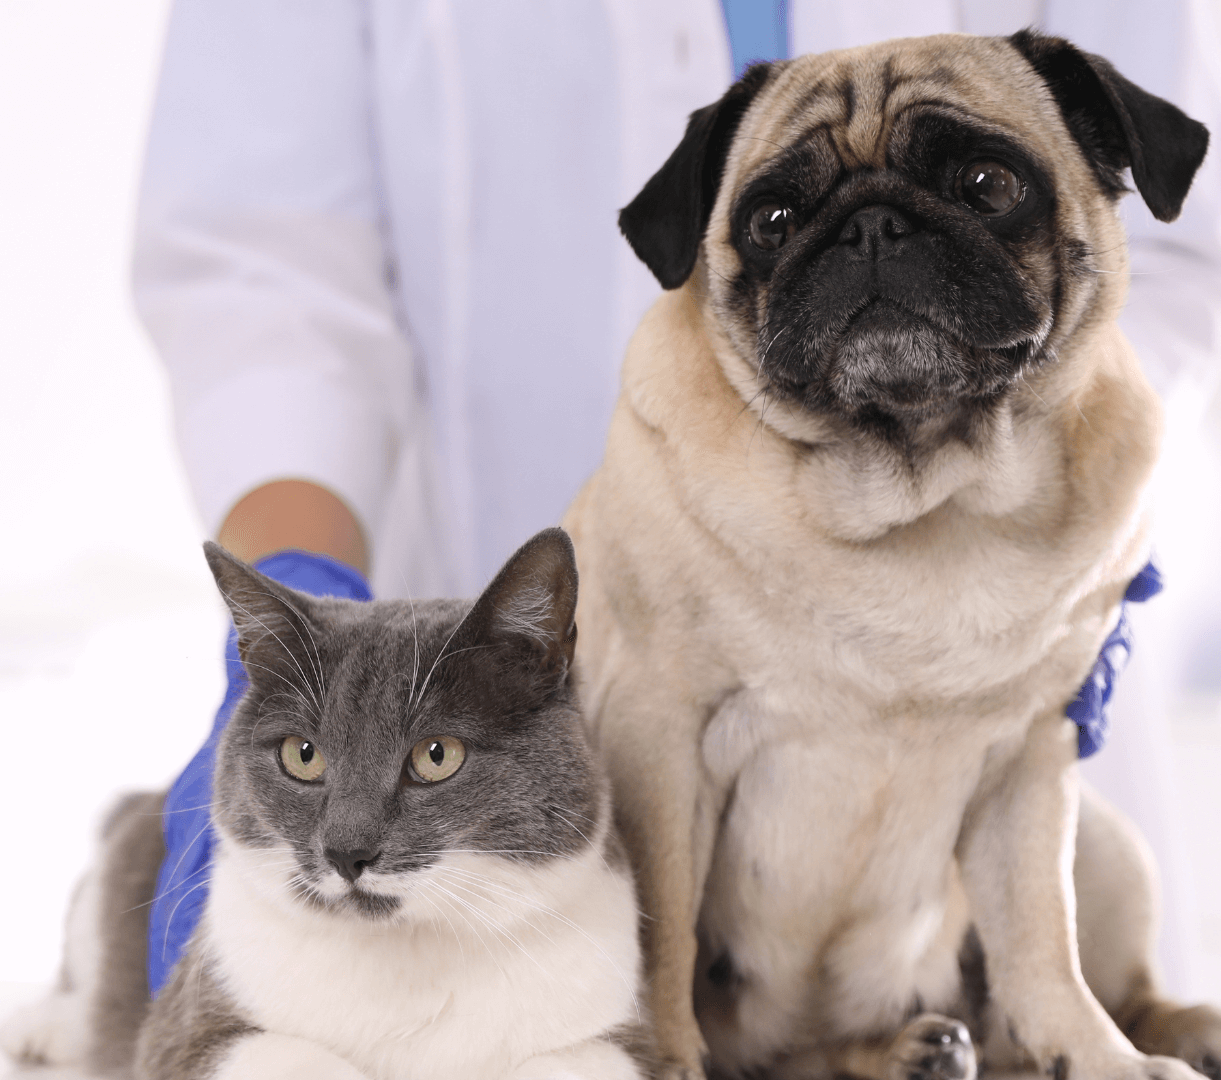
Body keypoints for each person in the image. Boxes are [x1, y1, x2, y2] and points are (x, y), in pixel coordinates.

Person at [134, 0, 1221, 998]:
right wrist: (298, 613)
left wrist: (1067, 546)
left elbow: (1171, 240)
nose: (875, 241)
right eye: (792, 217)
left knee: (1018, 995)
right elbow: (262, 267)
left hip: (983, 757)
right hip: (478, 729)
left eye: (978, 188)